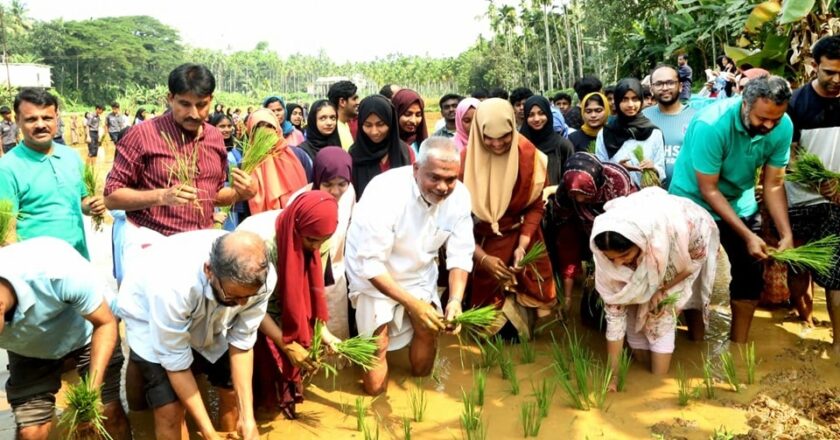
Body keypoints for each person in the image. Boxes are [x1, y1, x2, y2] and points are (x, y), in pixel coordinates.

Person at [669, 75, 794, 343]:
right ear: (745, 104)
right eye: (762, 119)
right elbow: (709, 189)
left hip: (741, 201)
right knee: (692, 272)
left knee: (750, 273)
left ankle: (738, 346)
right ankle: (696, 340)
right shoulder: (711, 124)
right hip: (693, 201)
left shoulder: (782, 127)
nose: (769, 126)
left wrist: (786, 234)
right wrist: (747, 236)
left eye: (776, 119)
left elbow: (773, 185)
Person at [346, 137, 473, 396]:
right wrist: (413, 305)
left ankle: (420, 391)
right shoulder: (386, 193)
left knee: (428, 329)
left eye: (451, 179)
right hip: (374, 273)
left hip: (418, 270)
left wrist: (455, 300)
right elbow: (370, 264)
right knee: (377, 344)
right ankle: (376, 403)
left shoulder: (459, 196)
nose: (443, 187)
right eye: (434, 177)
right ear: (416, 169)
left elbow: (460, 253)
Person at [118, 230, 272, 440]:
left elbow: (242, 342)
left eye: (249, 296)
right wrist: (208, 433)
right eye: (235, 296)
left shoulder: (262, 280)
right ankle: (139, 412)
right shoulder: (172, 286)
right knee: (170, 412)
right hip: (148, 313)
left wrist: (248, 419)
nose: (243, 304)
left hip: (211, 310)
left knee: (232, 392)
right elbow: (176, 363)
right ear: (209, 270)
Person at [104, 63, 258, 271]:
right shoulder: (141, 135)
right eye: (184, 104)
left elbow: (212, 195)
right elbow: (111, 197)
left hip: (201, 247)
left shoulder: (214, 137)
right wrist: (162, 196)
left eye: (201, 105)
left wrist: (243, 193)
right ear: (170, 98)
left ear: (211, 100)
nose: (193, 113)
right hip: (154, 248)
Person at [0, 237, 130, 440]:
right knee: (31, 432)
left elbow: (105, 324)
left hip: (88, 330)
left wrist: (90, 397)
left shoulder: (55, 271)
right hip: (28, 347)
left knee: (106, 411)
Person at [591, 188, 719, 383]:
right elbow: (615, 317)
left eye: (624, 256)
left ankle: (658, 379)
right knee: (634, 316)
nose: (617, 264)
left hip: (686, 249)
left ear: (641, 244)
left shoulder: (670, 240)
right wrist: (613, 376)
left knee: (660, 314)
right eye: (611, 259)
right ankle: (644, 370)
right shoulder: (605, 263)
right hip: (653, 242)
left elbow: (692, 264)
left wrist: (662, 288)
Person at [463, 98, 556, 337]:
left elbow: (536, 206)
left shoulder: (529, 157)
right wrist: (483, 259)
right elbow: (453, 222)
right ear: (477, 132)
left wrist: (522, 246)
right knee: (484, 326)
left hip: (524, 237)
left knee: (530, 329)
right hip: (481, 243)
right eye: (488, 137)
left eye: (504, 136)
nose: (496, 144)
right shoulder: (464, 162)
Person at [253, 191, 339, 419]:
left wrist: (324, 332)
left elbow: (313, 290)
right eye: (311, 240)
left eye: (323, 240)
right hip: (257, 312)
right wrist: (287, 344)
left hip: (287, 308)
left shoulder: (319, 238)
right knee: (262, 385)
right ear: (297, 229)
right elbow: (251, 306)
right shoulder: (264, 245)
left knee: (289, 377)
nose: (317, 246)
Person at [0, 88, 105, 258]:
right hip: (35, 271)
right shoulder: (6, 168)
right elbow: (6, 231)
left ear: (56, 117)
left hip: (77, 259)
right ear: (18, 120)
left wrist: (91, 206)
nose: (41, 125)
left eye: (47, 118)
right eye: (31, 119)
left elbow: (81, 201)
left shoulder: (71, 156)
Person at [784, 35, 840, 351]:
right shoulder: (795, 105)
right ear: (813, 66)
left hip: (837, 201)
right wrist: (817, 182)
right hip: (800, 200)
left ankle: (837, 341)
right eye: (829, 72)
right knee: (799, 266)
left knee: (836, 271)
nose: (836, 80)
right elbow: (786, 155)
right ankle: (804, 317)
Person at [595, 78, 666, 188]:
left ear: (641, 100)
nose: (630, 104)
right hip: (616, 198)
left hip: (646, 197)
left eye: (635, 99)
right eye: (624, 99)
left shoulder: (654, 133)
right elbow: (599, 169)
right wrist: (618, 169)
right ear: (617, 101)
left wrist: (653, 167)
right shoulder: (605, 133)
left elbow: (661, 171)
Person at [349, 94, 415, 199]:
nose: (374, 132)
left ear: (390, 123)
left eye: (380, 124)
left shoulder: (405, 152)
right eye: (368, 125)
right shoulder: (353, 156)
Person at [642, 65, 698, 190]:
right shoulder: (642, 118)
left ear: (680, 86)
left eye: (670, 83)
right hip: (651, 194)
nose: (665, 88)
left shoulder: (696, 118)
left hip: (688, 195)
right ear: (651, 89)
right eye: (659, 84)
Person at [245, 109, 309, 213]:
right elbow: (242, 208)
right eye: (259, 127)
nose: (265, 131)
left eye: (270, 126)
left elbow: (309, 189)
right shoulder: (246, 164)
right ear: (250, 132)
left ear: (277, 129)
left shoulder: (297, 155)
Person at [562, 152, 638, 233]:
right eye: (574, 194)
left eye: (584, 193)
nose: (579, 199)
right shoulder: (570, 184)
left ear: (597, 182)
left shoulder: (618, 185)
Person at [520, 96, 574, 187]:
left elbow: (571, 179)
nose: (536, 119)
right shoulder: (520, 145)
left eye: (541, 113)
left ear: (548, 114)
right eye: (531, 115)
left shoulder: (563, 145)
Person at [210, 113, 244, 231]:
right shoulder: (208, 149)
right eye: (222, 126)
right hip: (217, 198)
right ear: (213, 127)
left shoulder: (235, 150)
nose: (227, 129)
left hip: (234, 198)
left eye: (229, 126)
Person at [392, 88, 429, 155]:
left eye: (418, 115)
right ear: (396, 113)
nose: (413, 121)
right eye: (407, 114)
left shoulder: (424, 145)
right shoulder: (385, 146)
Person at [328, 80, 359, 148]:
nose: (358, 102)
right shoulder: (333, 130)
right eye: (354, 99)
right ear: (342, 102)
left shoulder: (344, 125)